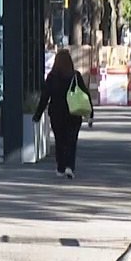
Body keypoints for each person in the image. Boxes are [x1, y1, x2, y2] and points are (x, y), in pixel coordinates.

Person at [33, 49, 94, 179]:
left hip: (57, 114)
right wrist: (90, 114)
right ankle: (70, 167)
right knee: (72, 141)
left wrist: (38, 115)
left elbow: (45, 97)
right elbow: (85, 95)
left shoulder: (52, 77)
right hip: (74, 113)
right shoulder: (75, 76)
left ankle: (60, 167)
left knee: (60, 141)